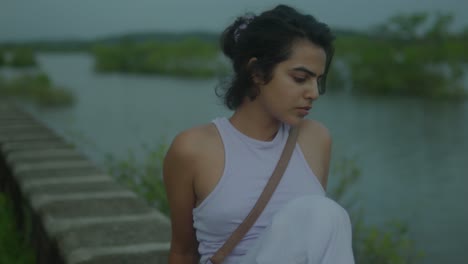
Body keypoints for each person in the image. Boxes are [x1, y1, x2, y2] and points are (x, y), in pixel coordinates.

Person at [163, 4, 354, 264]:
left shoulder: (316, 139)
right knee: (323, 212)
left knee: (325, 216)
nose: (314, 93)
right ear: (257, 72)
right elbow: (183, 251)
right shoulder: (194, 149)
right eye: (300, 78)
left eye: (317, 80)